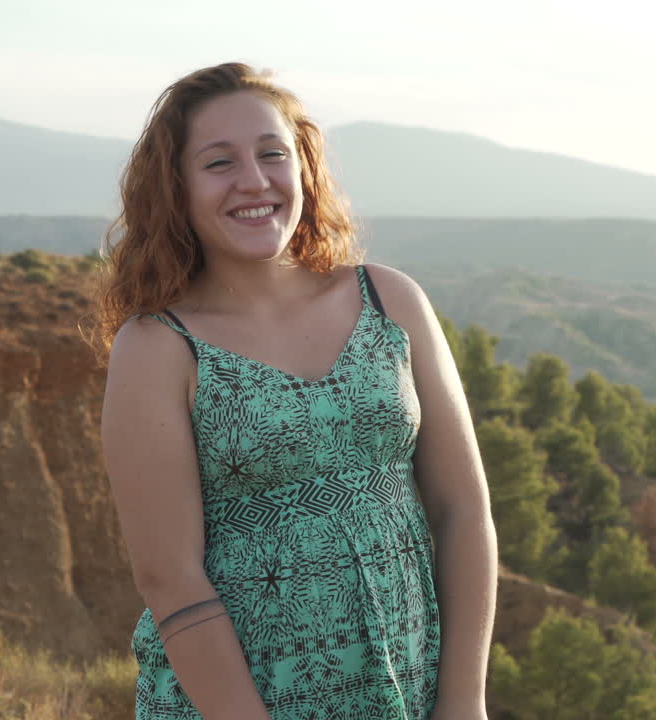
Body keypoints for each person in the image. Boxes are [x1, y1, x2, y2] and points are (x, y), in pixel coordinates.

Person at [96, 62, 498, 720]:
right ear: (177, 189)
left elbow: (462, 510)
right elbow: (170, 578)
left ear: (304, 167)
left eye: (272, 154)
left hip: (409, 691)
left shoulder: (390, 300)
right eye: (219, 162)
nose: (254, 181)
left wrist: (463, 700)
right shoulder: (158, 348)